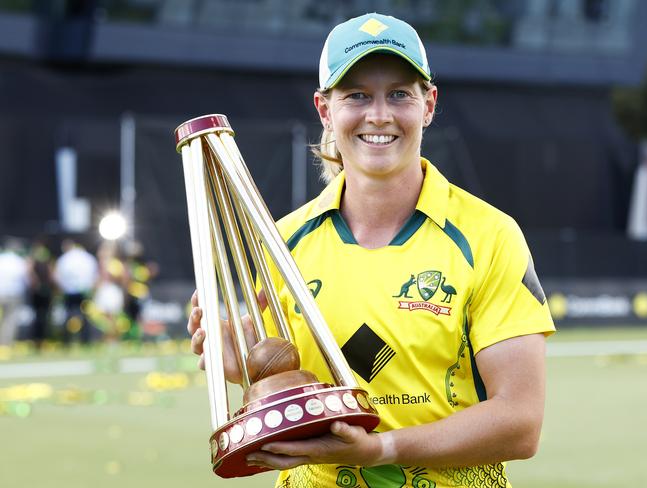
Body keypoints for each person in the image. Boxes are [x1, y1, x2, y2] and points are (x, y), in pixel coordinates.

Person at [188, 13, 555, 488]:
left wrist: (381, 448)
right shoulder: (281, 243)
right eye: (357, 95)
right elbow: (294, 398)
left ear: (428, 105)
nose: (378, 115)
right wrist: (248, 371)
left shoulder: (490, 236)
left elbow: (520, 422)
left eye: (399, 94)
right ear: (325, 110)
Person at [54, 239, 98, 344]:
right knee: (86, 317)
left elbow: (57, 276)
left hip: (69, 292)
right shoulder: (87, 257)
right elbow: (95, 274)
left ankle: (67, 341)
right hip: (85, 291)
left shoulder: (64, 259)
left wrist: (63, 288)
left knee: (69, 316)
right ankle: (86, 340)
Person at [0, 239, 29, 346]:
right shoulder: (19, 261)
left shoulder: (1, 259)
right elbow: (25, 279)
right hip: (14, 293)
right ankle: (4, 345)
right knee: (9, 319)